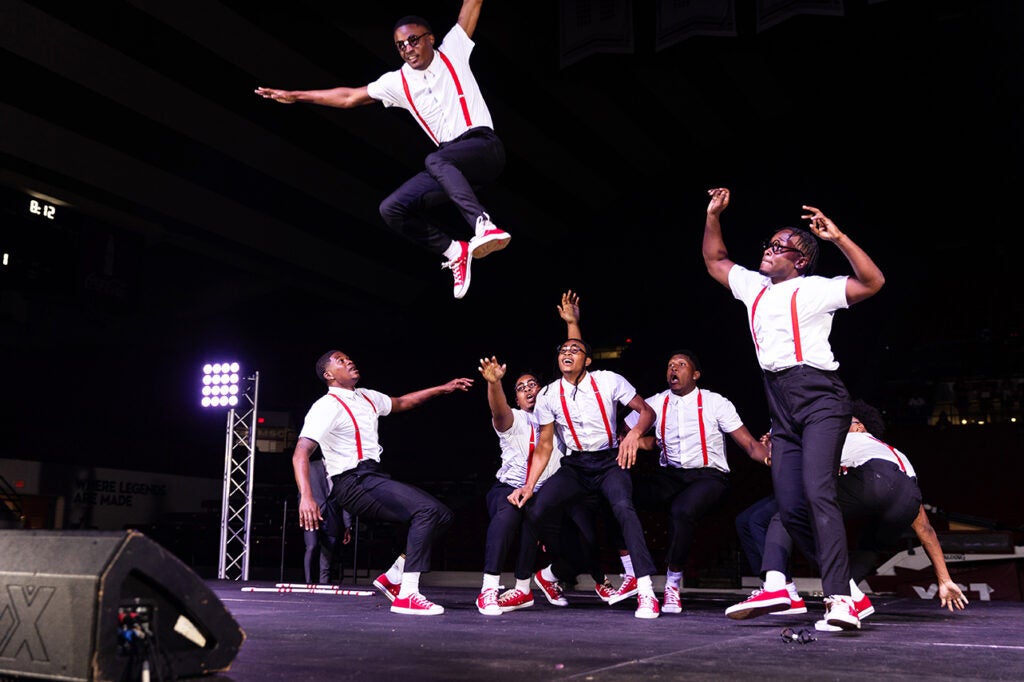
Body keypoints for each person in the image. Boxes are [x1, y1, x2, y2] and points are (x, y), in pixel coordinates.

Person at [702, 186, 886, 630]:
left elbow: (873, 282)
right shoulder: (754, 287)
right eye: (767, 244)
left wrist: (838, 238)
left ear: (800, 259)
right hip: (779, 402)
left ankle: (840, 596)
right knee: (789, 502)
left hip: (821, 397)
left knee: (818, 490)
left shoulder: (815, 290)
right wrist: (712, 216)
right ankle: (805, 588)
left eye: (779, 247)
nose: (767, 250)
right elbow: (715, 259)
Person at [255, 0, 509, 300]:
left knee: (435, 160)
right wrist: (296, 96)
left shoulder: (453, 49)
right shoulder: (397, 82)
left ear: (429, 38)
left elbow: (472, 4)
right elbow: (349, 97)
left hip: (483, 148)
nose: (408, 49)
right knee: (392, 208)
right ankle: (456, 250)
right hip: (451, 167)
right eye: (400, 46)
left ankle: (483, 225)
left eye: (413, 40)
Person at [727, 399, 969, 629]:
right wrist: (945, 579)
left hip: (874, 479)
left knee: (791, 510)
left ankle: (777, 585)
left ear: (859, 426)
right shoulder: (890, 452)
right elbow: (925, 530)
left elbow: (799, 463)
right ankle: (850, 599)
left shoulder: (846, 439)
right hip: (907, 497)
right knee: (869, 547)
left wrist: (778, 446)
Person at [291, 350, 473, 615]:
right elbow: (300, 453)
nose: (349, 361)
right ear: (329, 375)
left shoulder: (366, 396)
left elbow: (402, 402)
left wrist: (443, 389)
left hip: (372, 475)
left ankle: (395, 575)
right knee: (427, 510)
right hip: (352, 481)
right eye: (341, 361)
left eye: (348, 358)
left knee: (442, 515)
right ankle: (408, 594)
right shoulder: (325, 406)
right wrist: (307, 497)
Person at [509, 336, 662, 619]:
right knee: (536, 507)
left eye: (575, 349)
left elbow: (647, 412)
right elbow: (544, 445)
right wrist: (529, 485)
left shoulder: (608, 380)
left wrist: (633, 435)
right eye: (563, 350)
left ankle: (647, 592)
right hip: (577, 465)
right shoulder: (548, 395)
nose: (567, 352)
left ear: (587, 361)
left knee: (624, 510)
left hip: (609, 461)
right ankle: (532, 582)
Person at [623, 349, 770, 615]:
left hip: (710, 476)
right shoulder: (655, 403)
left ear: (696, 374)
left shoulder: (715, 403)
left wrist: (771, 458)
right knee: (621, 497)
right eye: (670, 365)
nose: (673, 370)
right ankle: (631, 574)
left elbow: (749, 444)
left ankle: (672, 584)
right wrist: (644, 441)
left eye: (681, 365)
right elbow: (626, 430)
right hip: (671, 475)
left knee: (682, 510)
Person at [301, 456, 352, 584]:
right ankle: (308, 582)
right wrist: (302, 511)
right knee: (311, 547)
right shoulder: (311, 466)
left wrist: (348, 525)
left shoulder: (342, 471)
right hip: (311, 514)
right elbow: (302, 492)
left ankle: (323, 585)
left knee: (327, 556)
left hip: (332, 517)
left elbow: (345, 500)